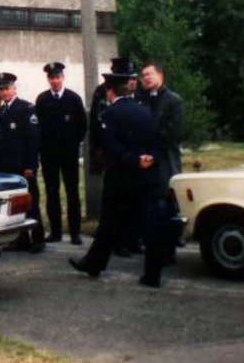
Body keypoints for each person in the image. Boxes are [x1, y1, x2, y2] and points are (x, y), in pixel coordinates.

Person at [70, 70, 169, 287]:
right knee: (149, 225)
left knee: (109, 223)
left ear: (110, 91)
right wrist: (149, 158)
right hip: (146, 176)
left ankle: (94, 263)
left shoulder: (110, 114)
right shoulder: (146, 111)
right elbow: (159, 141)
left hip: (121, 178)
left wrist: (134, 160)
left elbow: (112, 148)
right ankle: (153, 274)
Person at [89, 57, 140, 256]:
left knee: (132, 200)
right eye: (130, 78)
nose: (133, 81)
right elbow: (98, 122)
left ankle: (131, 238)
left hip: (132, 154)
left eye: (134, 77)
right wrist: (99, 150)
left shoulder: (137, 94)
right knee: (115, 201)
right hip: (113, 152)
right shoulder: (104, 92)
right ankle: (117, 241)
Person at [138, 61, 186, 264]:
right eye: (143, 75)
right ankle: (152, 249)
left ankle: (168, 251)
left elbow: (171, 133)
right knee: (149, 208)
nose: (146, 78)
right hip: (145, 162)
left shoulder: (174, 101)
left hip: (165, 161)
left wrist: (153, 154)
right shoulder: (142, 100)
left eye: (149, 74)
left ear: (160, 75)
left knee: (165, 206)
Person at [0, 72, 45, 252]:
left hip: (24, 167)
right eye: (2, 90)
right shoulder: (3, 110)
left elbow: (33, 139)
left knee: (31, 202)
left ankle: (38, 239)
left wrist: (30, 165)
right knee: (15, 204)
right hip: (9, 167)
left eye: (7, 88)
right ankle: (21, 239)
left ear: (14, 89)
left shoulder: (26, 108)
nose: (5, 93)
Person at [35, 62, 88, 245]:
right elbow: (39, 127)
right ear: (48, 80)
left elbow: (82, 125)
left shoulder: (73, 98)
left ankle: (75, 233)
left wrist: (74, 142)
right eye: (51, 78)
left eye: (57, 77)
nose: (55, 81)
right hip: (49, 155)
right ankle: (56, 232)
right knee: (52, 193)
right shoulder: (42, 99)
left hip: (69, 154)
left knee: (72, 192)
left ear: (62, 78)